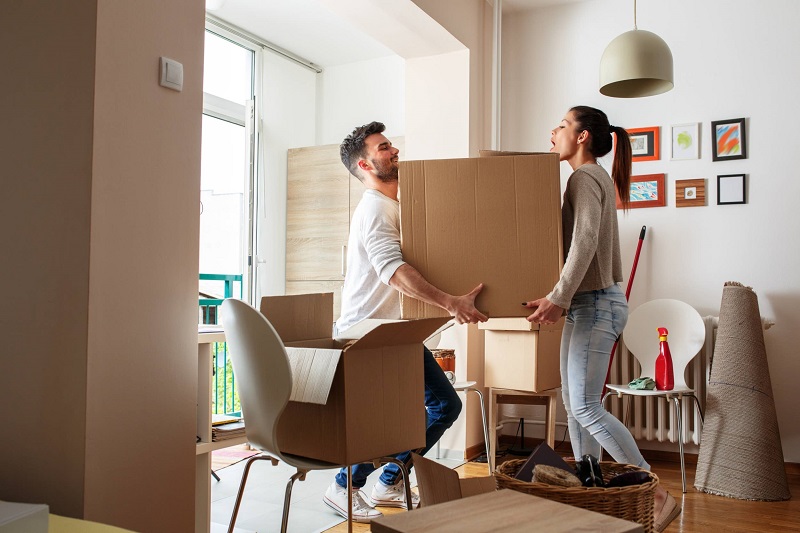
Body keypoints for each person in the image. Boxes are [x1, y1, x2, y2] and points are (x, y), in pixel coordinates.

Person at [522, 106, 680, 532]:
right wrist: (561, 297)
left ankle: (656, 494)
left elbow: (586, 238)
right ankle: (588, 490)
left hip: (595, 303)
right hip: (587, 304)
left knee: (587, 407)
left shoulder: (583, 177)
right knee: (575, 407)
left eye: (560, 125)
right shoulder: (591, 178)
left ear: (582, 137)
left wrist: (559, 295)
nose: (551, 131)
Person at [323, 121, 488, 523]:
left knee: (443, 405)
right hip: (366, 334)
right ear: (364, 164)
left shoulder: (397, 206)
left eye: (392, 145)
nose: (393, 151)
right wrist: (451, 303)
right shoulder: (375, 209)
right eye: (383, 148)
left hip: (393, 334)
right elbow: (393, 270)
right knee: (393, 417)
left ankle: (391, 477)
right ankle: (345, 486)